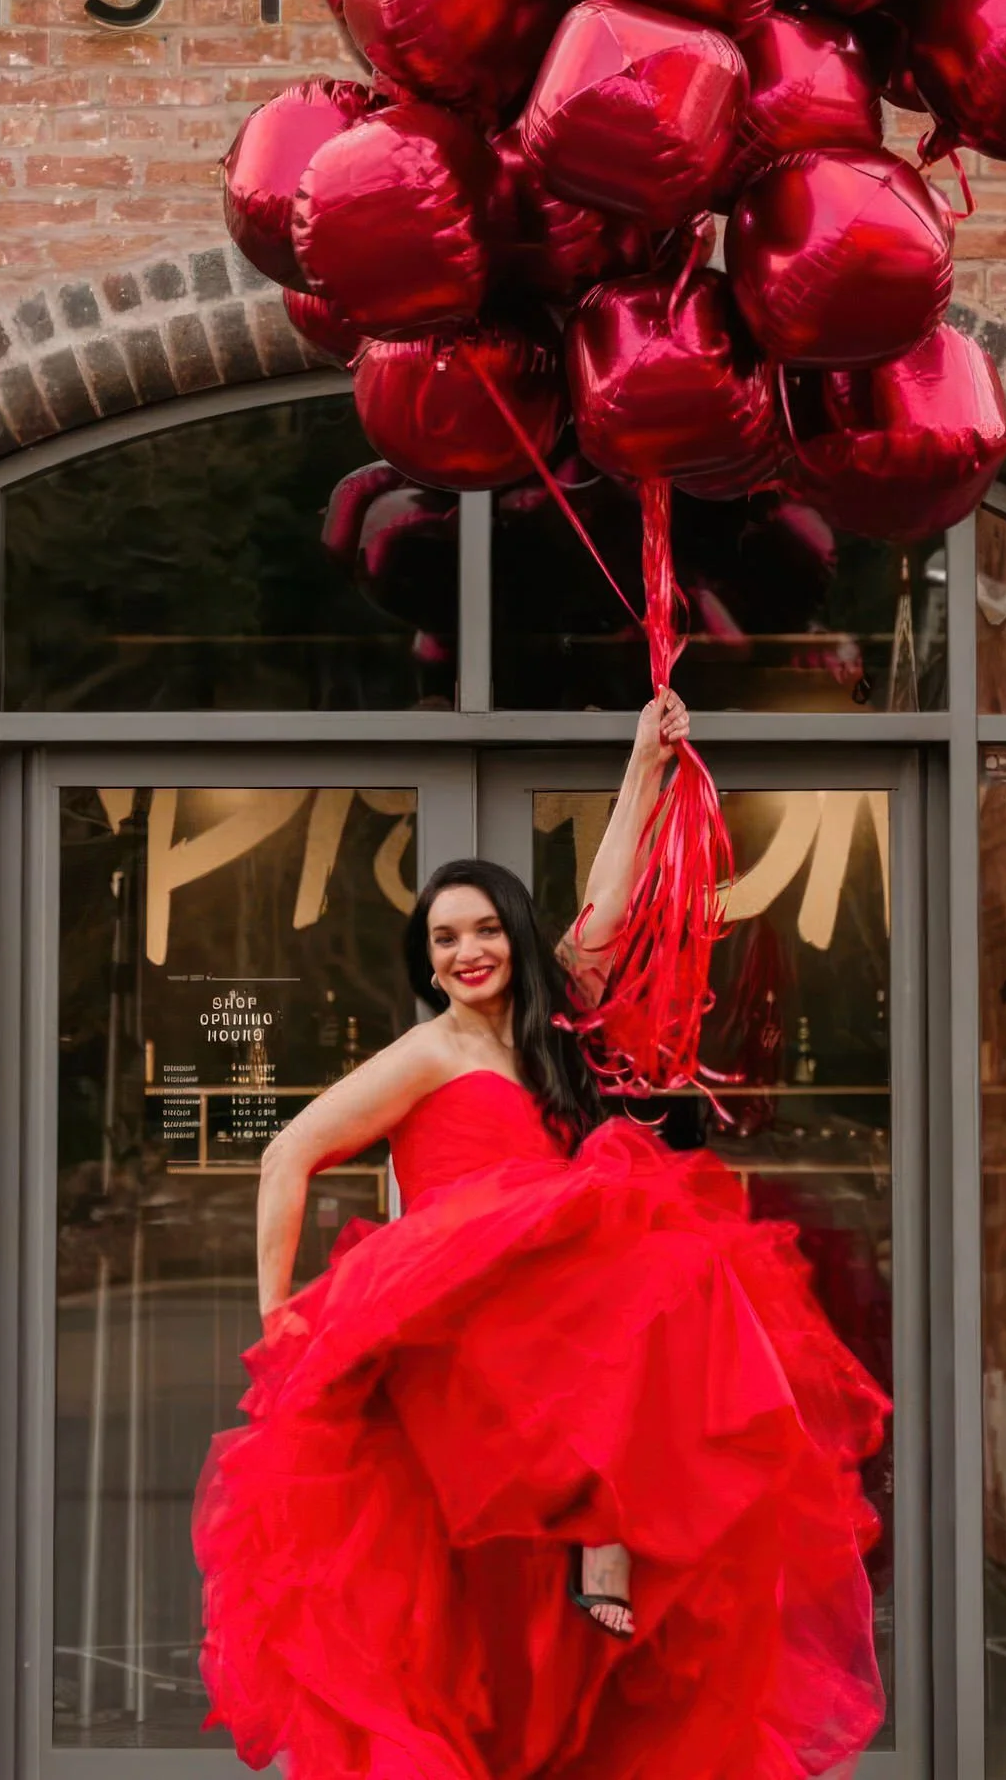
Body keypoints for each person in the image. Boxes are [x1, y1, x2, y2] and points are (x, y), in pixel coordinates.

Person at [193, 688, 889, 1780]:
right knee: (640, 1247)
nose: (464, 953)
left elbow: (607, 901)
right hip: (457, 1307)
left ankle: (599, 1546)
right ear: (424, 960)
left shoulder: (546, 1029)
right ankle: (598, 1536)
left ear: (512, 938)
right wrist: (280, 1318)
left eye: (480, 931)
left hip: (540, 1308)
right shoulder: (430, 1051)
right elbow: (287, 1155)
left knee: (667, 1258)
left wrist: (640, 767)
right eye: (442, 940)